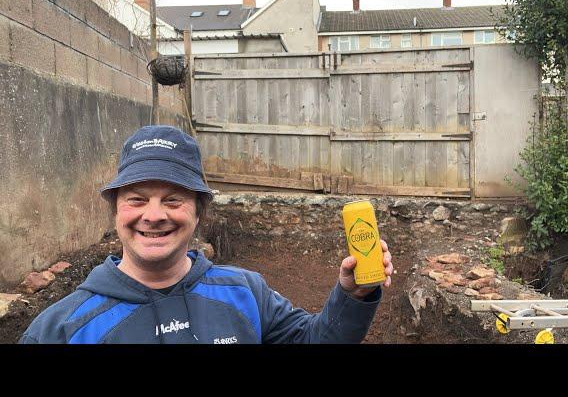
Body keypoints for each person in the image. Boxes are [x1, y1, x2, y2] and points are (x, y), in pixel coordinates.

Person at [20, 125, 393, 344]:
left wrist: (354, 294)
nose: (154, 215)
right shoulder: (60, 328)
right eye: (137, 199)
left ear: (199, 212)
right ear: (115, 210)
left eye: (173, 199)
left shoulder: (246, 293)